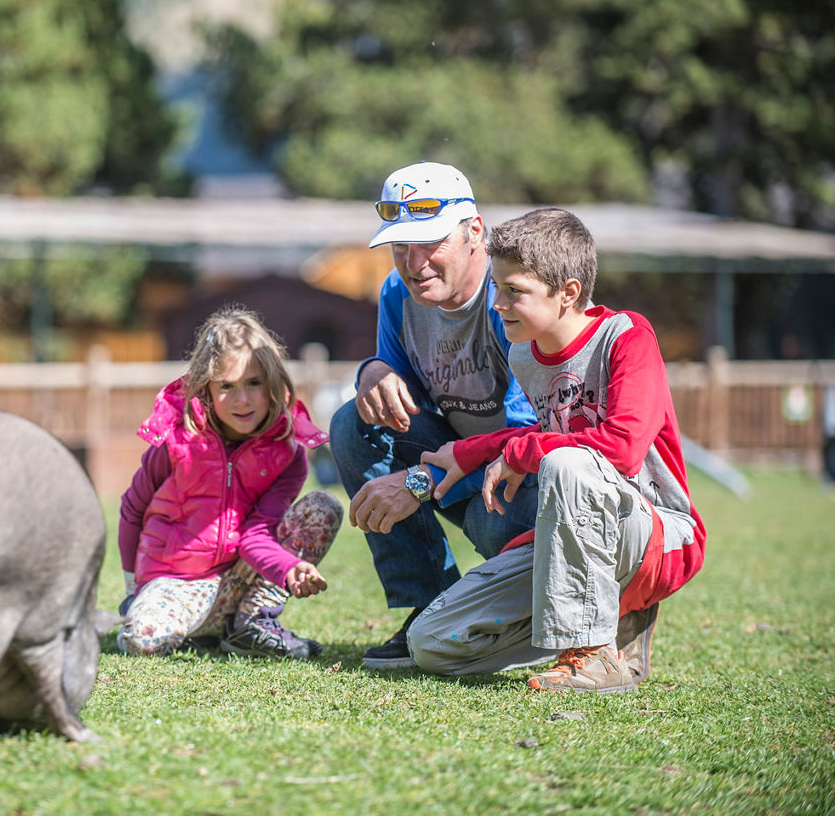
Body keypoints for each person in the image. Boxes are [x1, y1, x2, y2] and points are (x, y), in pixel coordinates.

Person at [411, 207, 706, 690]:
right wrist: (470, 452)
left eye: (514, 291)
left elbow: (623, 448)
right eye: (497, 287)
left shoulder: (627, 336)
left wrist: (524, 451)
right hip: (576, 531)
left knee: (567, 464)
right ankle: (599, 629)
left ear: (568, 293)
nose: (497, 304)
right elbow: (556, 431)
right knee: (433, 643)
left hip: (658, 533)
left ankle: (594, 656)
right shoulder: (524, 353)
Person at [328, 161, 539, 670]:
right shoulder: (398, 294)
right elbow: (400, 403)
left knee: (494, 524)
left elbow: (543, 431)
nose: (413, 261)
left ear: (475, 233)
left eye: (430, 243)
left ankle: (549, 612)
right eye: (400, 245)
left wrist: (421, 481)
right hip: (462, 470)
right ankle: (429, 605)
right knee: (353, 424)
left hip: (529, 476)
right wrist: (373, 371)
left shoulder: (514, 296)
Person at [116, 305, 344, 659]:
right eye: (227, 386)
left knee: (323, 507)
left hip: (236, 582)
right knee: (141, 641)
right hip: (175, 585)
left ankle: (252, 624)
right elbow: (132, 510)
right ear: (205, 388)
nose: (242, 399)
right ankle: (171, 623)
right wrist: (134, 588)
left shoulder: (287, 454)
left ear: (272, 383)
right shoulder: (175, 442)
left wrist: (289, 568)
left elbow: (256, 536)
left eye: (254, 383)